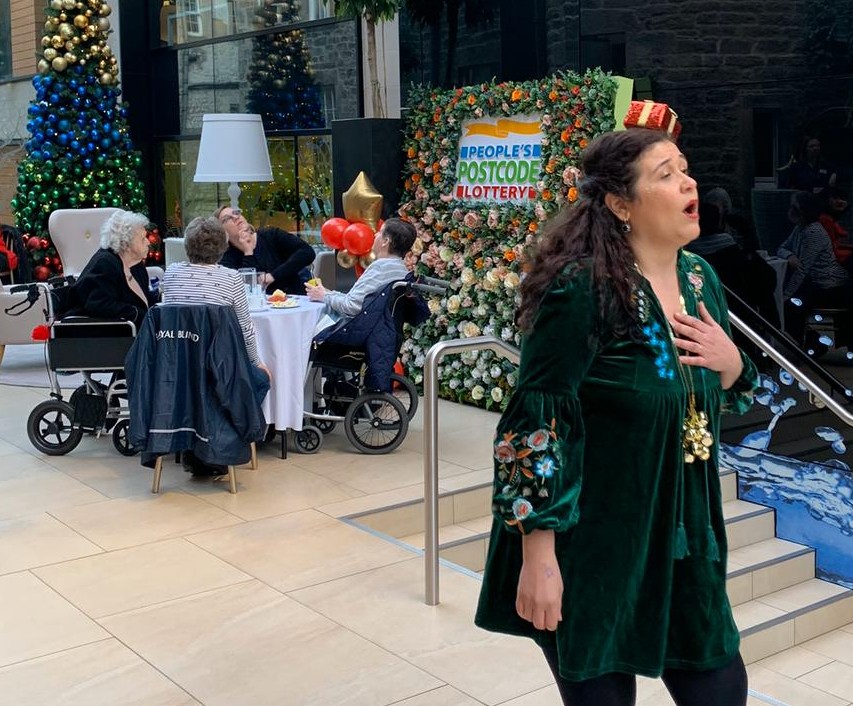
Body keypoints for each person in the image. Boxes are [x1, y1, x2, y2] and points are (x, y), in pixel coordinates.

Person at [474, 128, 758, 706]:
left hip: (686, 536)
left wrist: (733, 365)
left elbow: (726, 390)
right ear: (620, 204)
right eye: (666, 175)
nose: (688, 183)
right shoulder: (584, 288)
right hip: (596, 542)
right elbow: (536, 420)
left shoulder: (700, 280)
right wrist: (538, 556)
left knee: (722, 690)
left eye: (685, 168)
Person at [160, 216, 271, 476]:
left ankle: (196, 444)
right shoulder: (231, 279)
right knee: (259, 380)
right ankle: (218, 445)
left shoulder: (172, 273)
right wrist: (257, 362)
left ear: (187, 246)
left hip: (176, 368)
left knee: (206, 388)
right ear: (222, 247)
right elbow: (245, 328)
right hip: (219, 368)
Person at [777, 190, 850, 346]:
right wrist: (790, 256)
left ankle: (811, 343)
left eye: (795, 207)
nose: (790, 210)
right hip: (813, 284)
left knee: (790, 305)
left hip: (828, 287)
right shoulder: (799, 228)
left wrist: (786, 295)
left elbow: (802, 269)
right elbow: (782, 248)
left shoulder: (813, 232)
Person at [305, 217, 416, 319]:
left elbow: (351, 306)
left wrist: (324, 296)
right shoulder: (402, 269)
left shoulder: (380, 268)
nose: (375, 235)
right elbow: (358, 301)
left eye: (380, 232)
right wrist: (327, 293)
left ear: (386, 241)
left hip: (360, 330)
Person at [66, 210, 157, 328]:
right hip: (96, 332)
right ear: (126, 243)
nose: (148, 242)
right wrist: (136, 314)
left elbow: (143, 299)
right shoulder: (104, 264)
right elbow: (98, 305)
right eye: (143, 238)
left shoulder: (136, 265)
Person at [215, 206, 315, 295]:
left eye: (236, 213)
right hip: (256, 306)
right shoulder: (226, 257)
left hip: (293, 299)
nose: (236, 217)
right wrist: (248, 252)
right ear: (222, 230)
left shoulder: (270, 235)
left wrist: (273, 276)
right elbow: (245, 289)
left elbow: (307, 252)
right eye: (227, 219)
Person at [818, 184, 851, 267]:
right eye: (835, 198)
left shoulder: (830, 219)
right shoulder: (825, 219)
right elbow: (830, 249)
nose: (840, 201)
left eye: (842, 199)